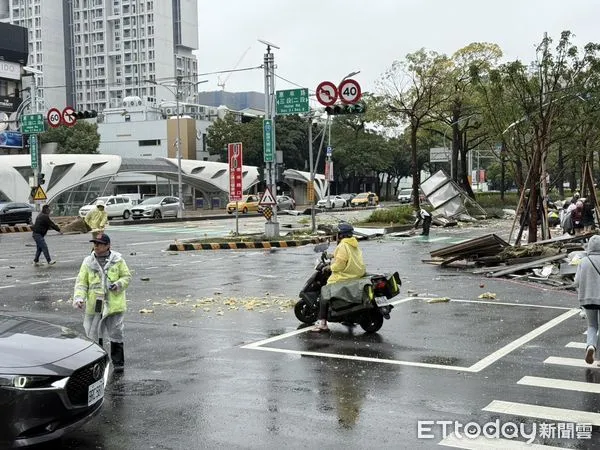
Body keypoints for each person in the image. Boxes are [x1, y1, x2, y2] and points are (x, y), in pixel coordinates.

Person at [72, 233, 131, 372]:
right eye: (95, 243)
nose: (96, 246)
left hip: (114, 305)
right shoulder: (88, 261)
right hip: (95, 305)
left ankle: (118, 364)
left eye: (99, 244)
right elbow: (81, 282)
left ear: (107, 246)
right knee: (93, 334)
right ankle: (96, 364)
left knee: (116, 333)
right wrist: (79, 298)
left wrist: (118, 284)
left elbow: (127, 277)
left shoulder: (118, 260)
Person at [313, 223, 366, 332]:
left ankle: (322, 323)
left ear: (342, 235)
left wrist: (329, 267)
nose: (336, 235)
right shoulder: (353, 244)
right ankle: (348, 318)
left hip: (346, 275)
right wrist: (331, 256)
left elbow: (340, 264)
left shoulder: (342, 245)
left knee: (325, 292)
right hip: (356, 274)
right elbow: (346, 257)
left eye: (338, 233)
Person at [574, 235, 600, 365]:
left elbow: (577, 281)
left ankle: (591, 346)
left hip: (588, 299)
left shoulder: (584, 261)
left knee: (592, 325)